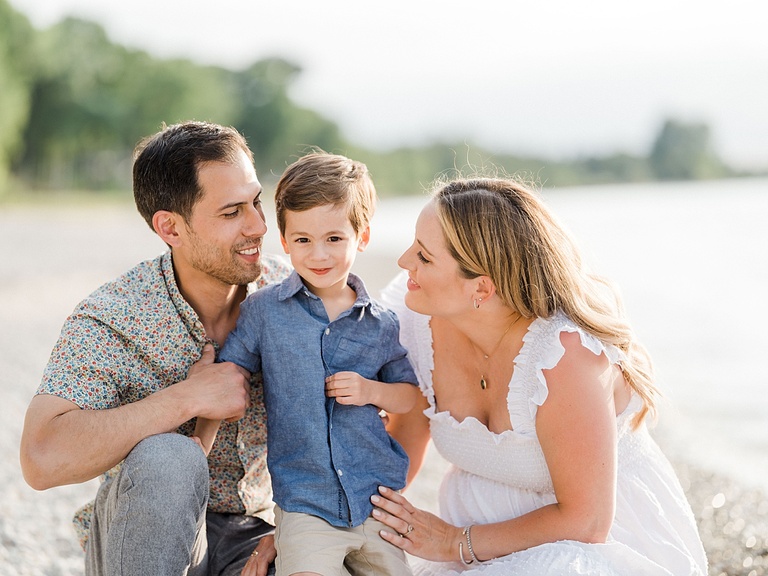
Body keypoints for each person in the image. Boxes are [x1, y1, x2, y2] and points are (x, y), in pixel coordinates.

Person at [369, 177, 708, 575]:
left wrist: (452, 542)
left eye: (424, 257)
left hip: (592, 542)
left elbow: (588, 521)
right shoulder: (417, 316)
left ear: (481, 288)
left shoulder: (564, 354)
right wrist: (327, 520)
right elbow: (404, 441)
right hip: (472, 536)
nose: (404, 260)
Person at [19, 121, 292, 576]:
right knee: (171, 457)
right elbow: (41, 458)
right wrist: (186, 399)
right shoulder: (114, 317)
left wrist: (295, 533)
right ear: (171, 227)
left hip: (258, 537)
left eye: (256, 202)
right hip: (141, 540)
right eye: (231, 213)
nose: (259, 226)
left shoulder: (292, 296)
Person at [194, 152, 420, 576]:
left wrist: (372, 392)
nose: (319, 254)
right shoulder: (264, 312)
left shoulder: (381, 325)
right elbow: (230, 376)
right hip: (304, 504)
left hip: (375, 501)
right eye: (303, 240)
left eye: (334, 239)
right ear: (284, 241)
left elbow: (409, 398)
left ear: (362, 236)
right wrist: (197, 440)